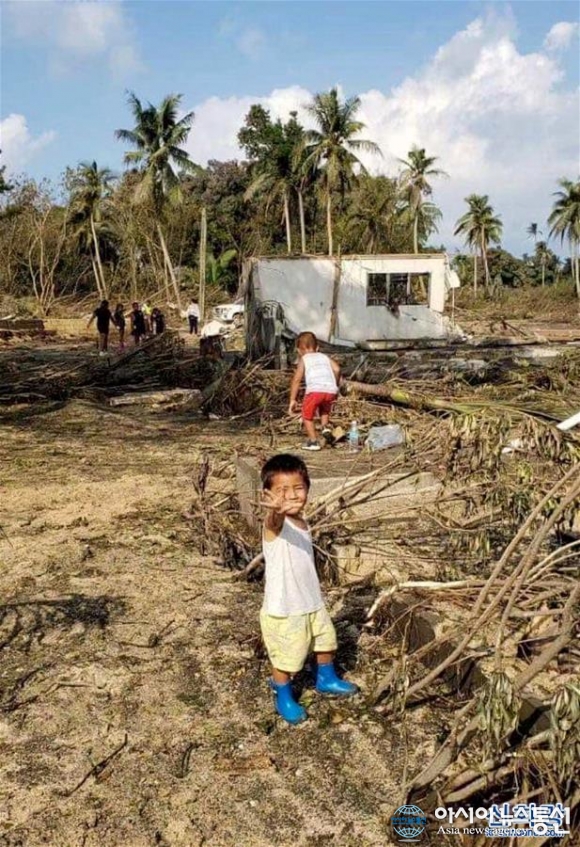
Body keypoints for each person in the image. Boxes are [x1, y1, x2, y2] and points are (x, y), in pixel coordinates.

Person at [260, 453, 357, 725]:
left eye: (298, 488)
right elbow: (273, 521)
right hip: (285, 609)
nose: (292, 495)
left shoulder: (302, 521)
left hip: (311, 602)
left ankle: (326, 678)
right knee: (286, 658)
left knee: (326, 641)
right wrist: (275, 511)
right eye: (282, 490)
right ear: (268, 494)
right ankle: (283, 695)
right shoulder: (274, 525)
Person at [288, 331, 340, 451]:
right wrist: (335, 386)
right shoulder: (324, 357)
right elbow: (337, 369)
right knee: (324, 410)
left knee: (307, 416)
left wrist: (292, 400)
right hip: (330, 390)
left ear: (299, 350)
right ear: (317, 348)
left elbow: (296, 380)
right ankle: (325, 428)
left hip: (315, 391)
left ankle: (313, 442)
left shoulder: (304, 359)